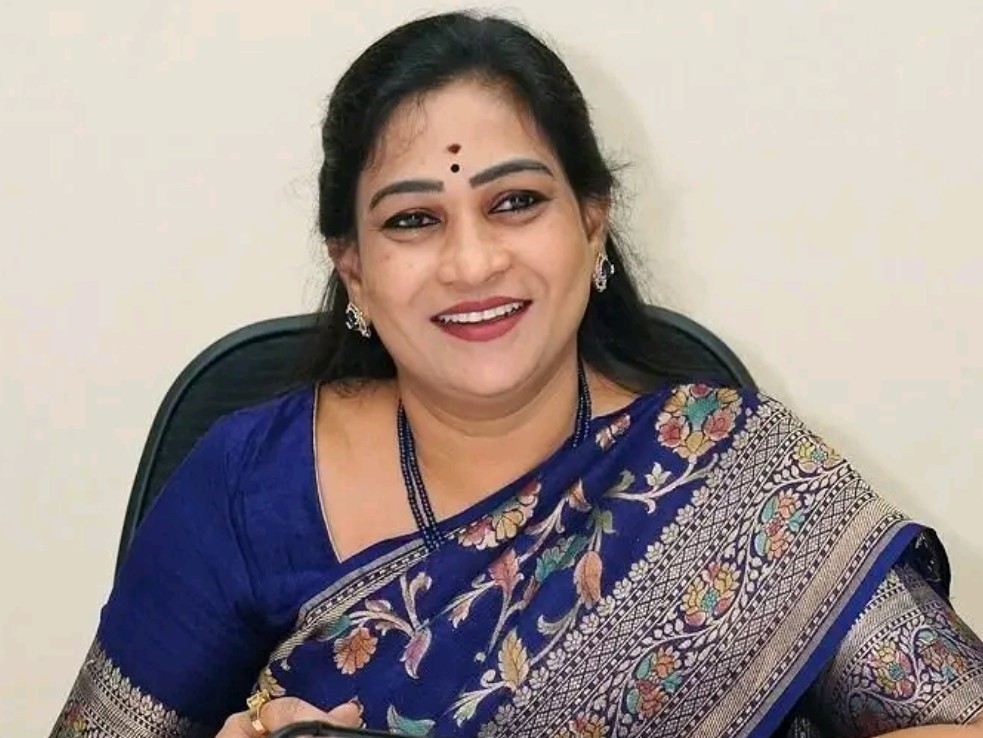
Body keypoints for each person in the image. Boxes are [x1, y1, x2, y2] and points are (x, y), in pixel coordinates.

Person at [51, 11, 983, 738]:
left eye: (515, 202)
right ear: (354, 270)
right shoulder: (248, 488)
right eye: (413, 220)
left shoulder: (738, 478)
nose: (472, 263)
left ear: (591, 225)